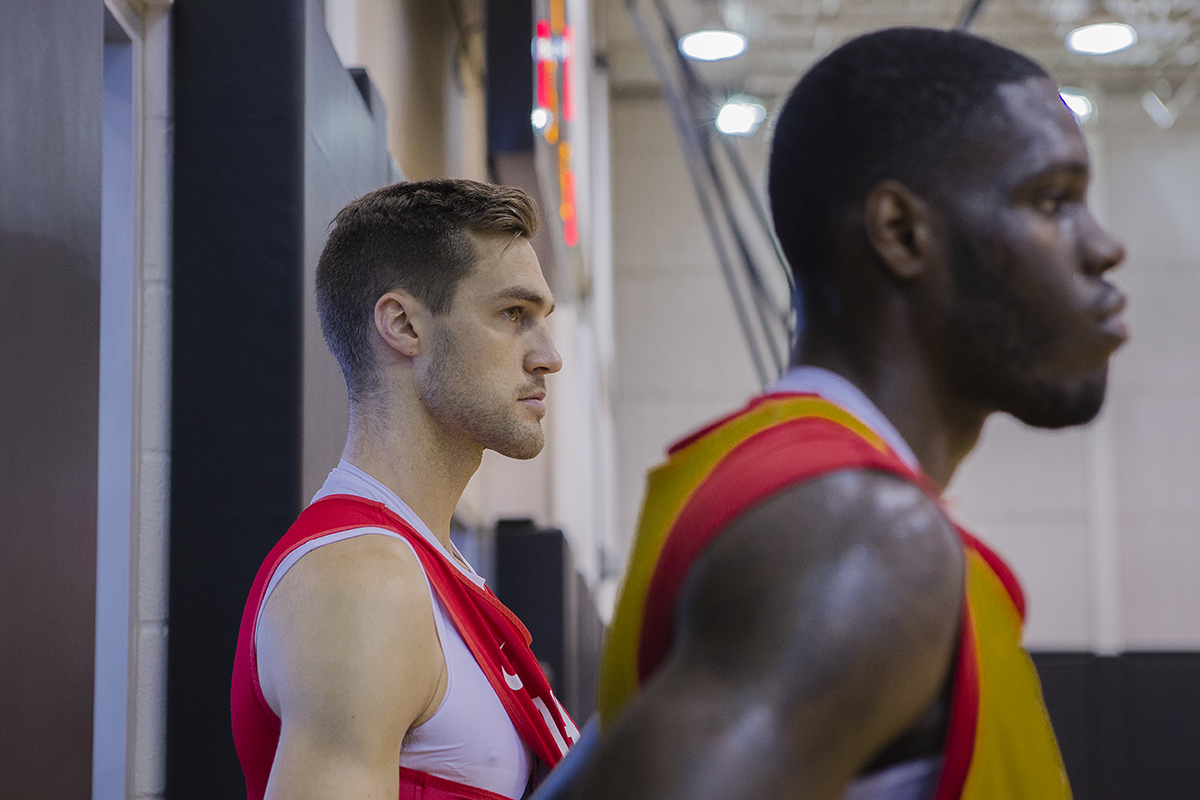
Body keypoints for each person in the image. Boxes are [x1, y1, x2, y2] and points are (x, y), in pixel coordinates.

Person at [565, 27, 1127, 800]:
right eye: (1053, 200)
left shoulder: (766, 486)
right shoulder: (861, 532)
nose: (1104, 247)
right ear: (901, 233)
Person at [231, 179, 580, 800]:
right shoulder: (362, 580)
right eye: (513, 314)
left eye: (542, 321)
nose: (548, 356)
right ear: (403, 325)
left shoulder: (423, 569)